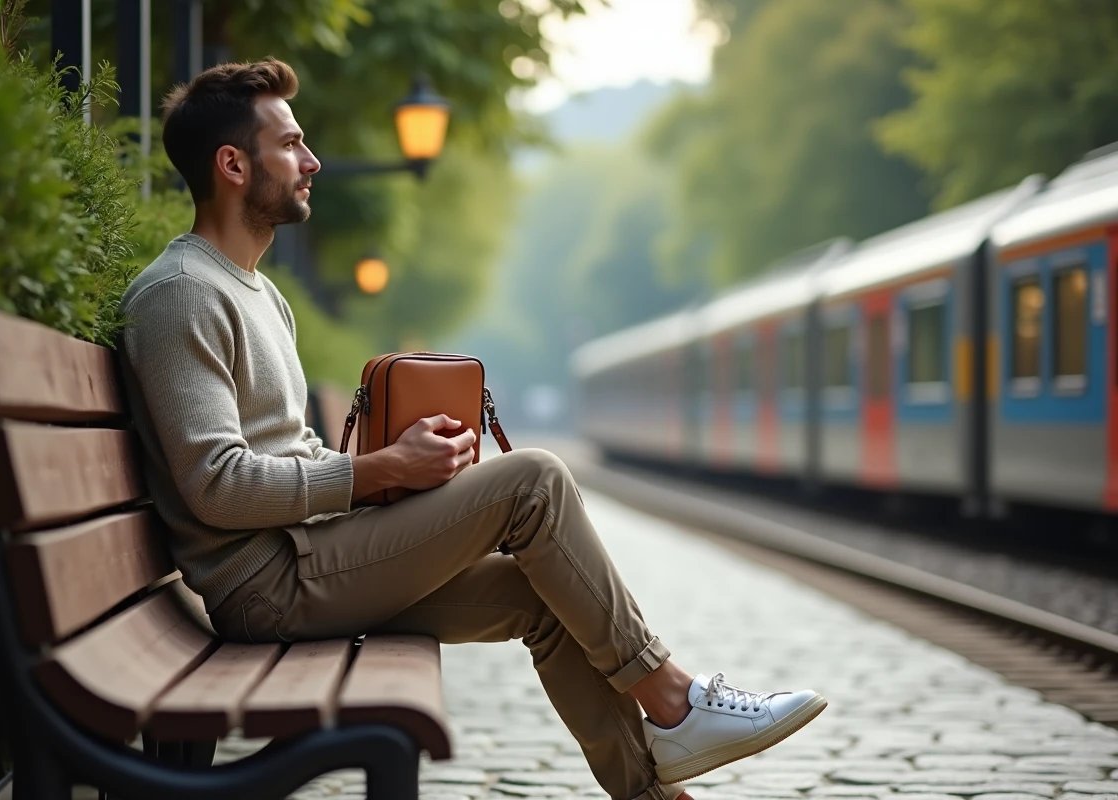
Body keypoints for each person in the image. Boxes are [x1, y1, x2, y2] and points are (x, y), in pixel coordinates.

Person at [118, 57, 826, 800]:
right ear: (232, 164)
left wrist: (401, 475)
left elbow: (284, 456)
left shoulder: (258, 293)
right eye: (291, 144)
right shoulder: (182, 295)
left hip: (311, 557)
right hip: (271, 588)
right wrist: (382, 471)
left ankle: (655, 796)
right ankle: (673, 699)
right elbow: (217, 488)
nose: (313, 160)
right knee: (535, 479)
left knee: (544, 597)